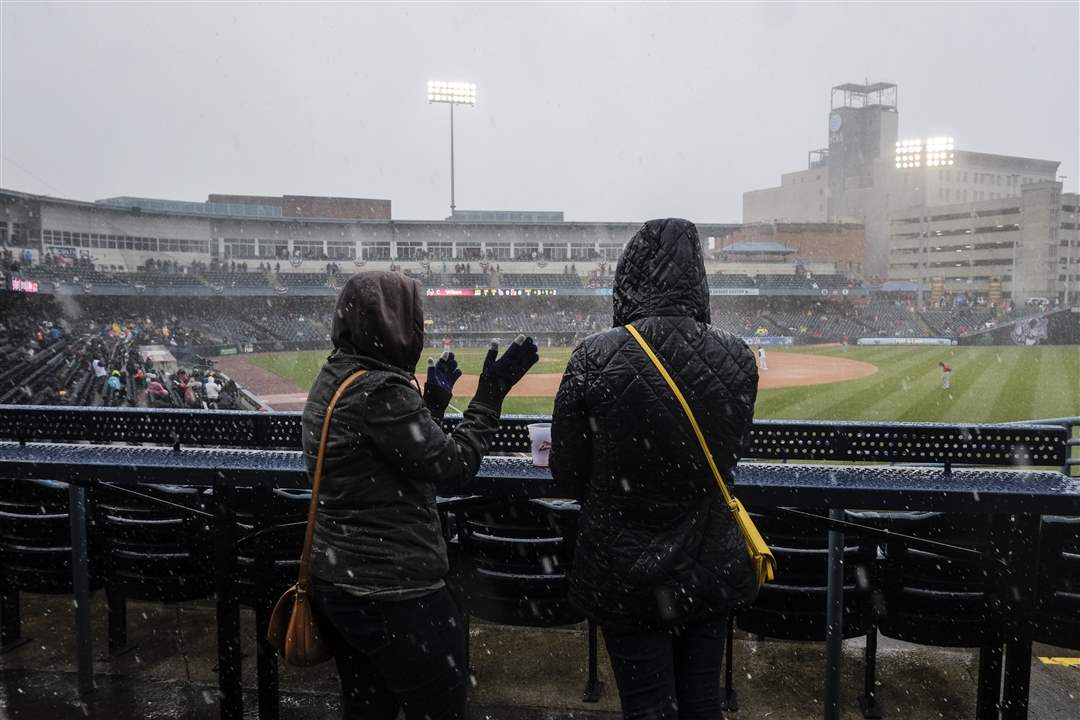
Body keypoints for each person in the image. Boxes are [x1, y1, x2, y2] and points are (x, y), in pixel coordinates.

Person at [304, 271, 539, 720]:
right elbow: (452, 466)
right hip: (394, 589)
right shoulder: (382, 390)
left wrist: (430, 403)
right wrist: (490, 396)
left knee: (368, 704)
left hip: (338, 581)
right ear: (392, 323)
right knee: (438, 704)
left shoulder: (337, 375)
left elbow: (390, 457)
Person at [550, 219, 760, 720]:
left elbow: (567, 475)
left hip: (626, 569)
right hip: (708, 565)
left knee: (646, 708)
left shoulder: (593, 355)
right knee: (703, 703)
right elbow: (727, 459)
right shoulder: (737, 357)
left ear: (632, 275)